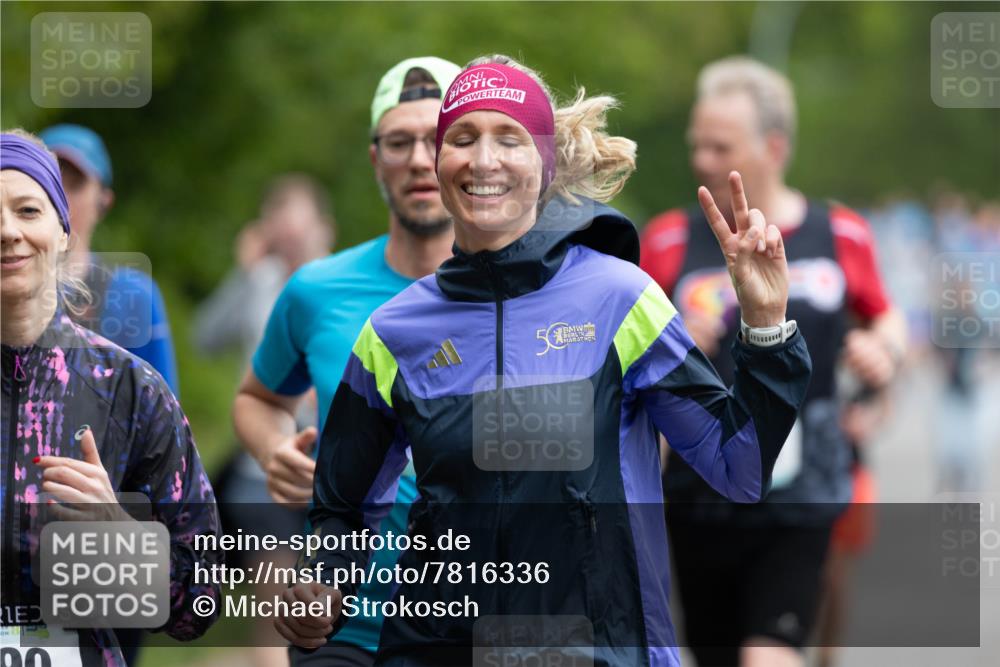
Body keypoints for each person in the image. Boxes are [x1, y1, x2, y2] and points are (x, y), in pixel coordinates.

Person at [276, 54, 812, 667]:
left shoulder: (620, 300)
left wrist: (766, 326)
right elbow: (342, 511)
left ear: (545, 163)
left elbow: (736, 466)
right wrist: (320, 585)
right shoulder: (395, 332)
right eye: (462, 138)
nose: (483, 161)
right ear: (440, 161)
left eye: (510, 138)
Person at [640, 56, 906, 666]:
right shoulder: (667, 240)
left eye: (720, 145)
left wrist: (882, 351)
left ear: (774, 146)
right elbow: (628, 351)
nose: (702, 159)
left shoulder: (839, 232)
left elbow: (884, 316)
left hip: (804, 489)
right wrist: (673, 339)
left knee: (769, 654)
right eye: (696, 144)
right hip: (698, 489)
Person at [232, 56, 461, 667]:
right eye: (399, 141)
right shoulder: (317, 290)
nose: (418, 158)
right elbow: (257, 398)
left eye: (439, 138)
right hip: (341, 623)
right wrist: (273, 450)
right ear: (374, 158)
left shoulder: (519, 294)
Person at [1, 129, 221, 666]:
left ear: (63, 230)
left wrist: (117, 531)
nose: (7, 232)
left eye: (28, 210)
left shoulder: (129, 388)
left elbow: (200, 603)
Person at [196, 173, 334, 667]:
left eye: (301, 225)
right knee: (275, 617)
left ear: (324, 229)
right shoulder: (258, 283)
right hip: (263, 474)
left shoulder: (346, 288)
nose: (291, 237)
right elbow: (204, 338)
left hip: (335, 478)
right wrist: (243, 272)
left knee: (325, 621)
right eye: (281, 225)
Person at [38, 124, 180, 396]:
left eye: (76, 184)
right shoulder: (9, 287)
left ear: (104, 201)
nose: (60, 197)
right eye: (50, 179)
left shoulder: (131, 295)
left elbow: (165, 414)